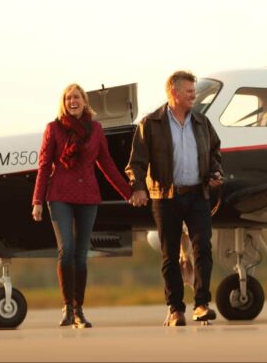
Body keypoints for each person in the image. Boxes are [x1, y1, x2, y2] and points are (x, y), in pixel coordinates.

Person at [126, 70, 223, 326]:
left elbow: (215, 152)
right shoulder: (151, 124)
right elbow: (136, 162)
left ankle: (201, 304)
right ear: (173, 92)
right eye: (189, 90)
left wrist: (215, 173)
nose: (194, 94)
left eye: (194, 90)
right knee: (170, 255)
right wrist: (137, 187)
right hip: (165, 197)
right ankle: (175, 309)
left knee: (203, 248)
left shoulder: (202, 122)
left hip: (197, 195)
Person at [32, 83, 132, 328]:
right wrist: (37, 201)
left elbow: (106, 164)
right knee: (66, 251)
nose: (72, 101)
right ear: (64, 103)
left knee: (81, 254)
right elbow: (44, 166)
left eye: (76, 97)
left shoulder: (96, 129)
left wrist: (128, 193)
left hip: (88, 197)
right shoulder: (53, 129)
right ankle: (67, 306)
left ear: (85, 102)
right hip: (60, 196)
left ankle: (79, 310)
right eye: (68, 98)